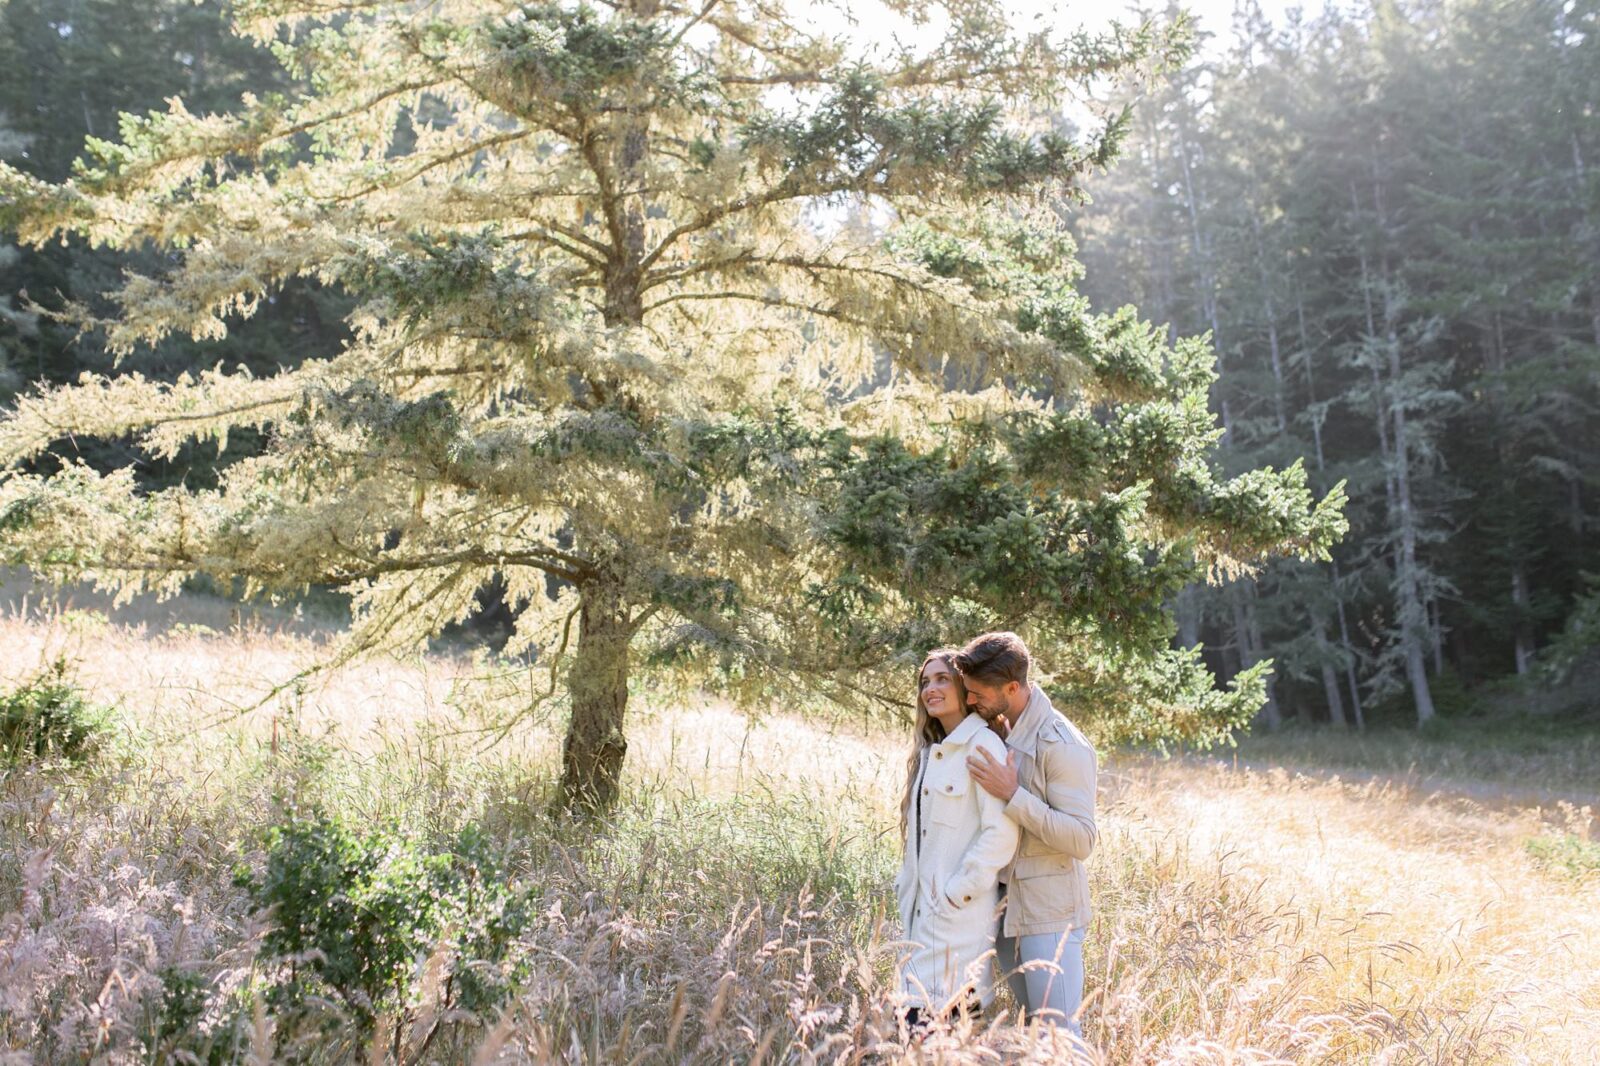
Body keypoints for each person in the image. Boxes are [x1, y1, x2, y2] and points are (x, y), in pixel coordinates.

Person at [955, 631, 1097, 1038]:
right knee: (1034, 1031)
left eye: (978, 693)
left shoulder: (1062, 743)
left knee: (1060, 1036)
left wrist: (1013, 794)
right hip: (1007, 911)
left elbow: (1082, 839)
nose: (970, 700)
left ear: (1012, 688)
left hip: (1049, 915)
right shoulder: (1004, 730)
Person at [893, 648, 1020, 1030]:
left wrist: (956, 893)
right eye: (925, 682)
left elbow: (1002, 832)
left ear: (965, 688)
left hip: (957, 924)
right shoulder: (933, 752)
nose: (930, 689)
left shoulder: (982, 746)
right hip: (920, 922)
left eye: (942, 679)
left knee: (938, 1031)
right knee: (914, 1035)